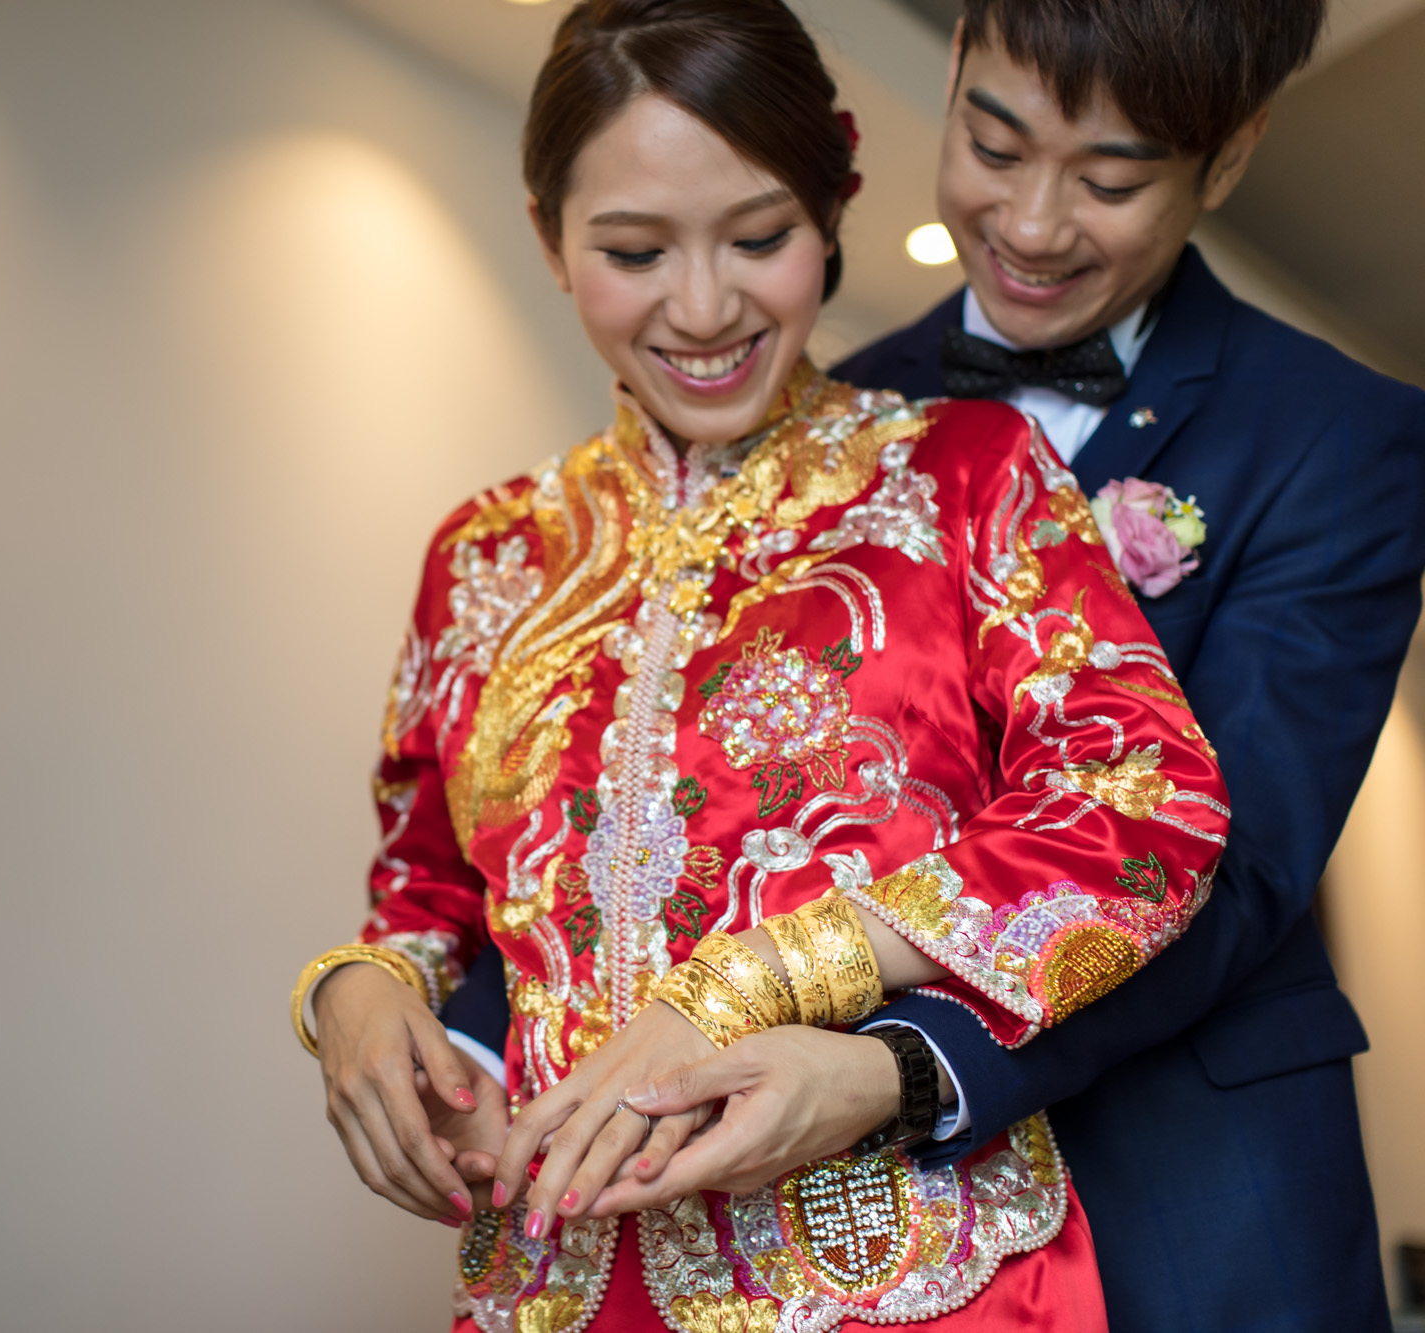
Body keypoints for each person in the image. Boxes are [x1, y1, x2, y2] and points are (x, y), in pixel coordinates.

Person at [447, 1, 1425, 1328]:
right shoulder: (825, 405)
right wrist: (421, 1008)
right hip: (868, 1228)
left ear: (1232, 155)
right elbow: (663, 821)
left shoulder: (1339, 435)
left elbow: (1232, 872)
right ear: (956, 67)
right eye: (995, 145)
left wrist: (904, 1069)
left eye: (1110, 179)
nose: (1031, 222)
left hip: (1190, 1188)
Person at [289, 2, 1230, 1328]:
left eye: (759, 236)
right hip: (558, 1271)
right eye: (634, 249)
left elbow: (1145, 803)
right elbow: (430, 893)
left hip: (909, 1273)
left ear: (833, 213)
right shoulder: (487, 553)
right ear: (549, 238)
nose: (703, 306)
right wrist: (362, 991)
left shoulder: (962, 476)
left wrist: (767, 976)